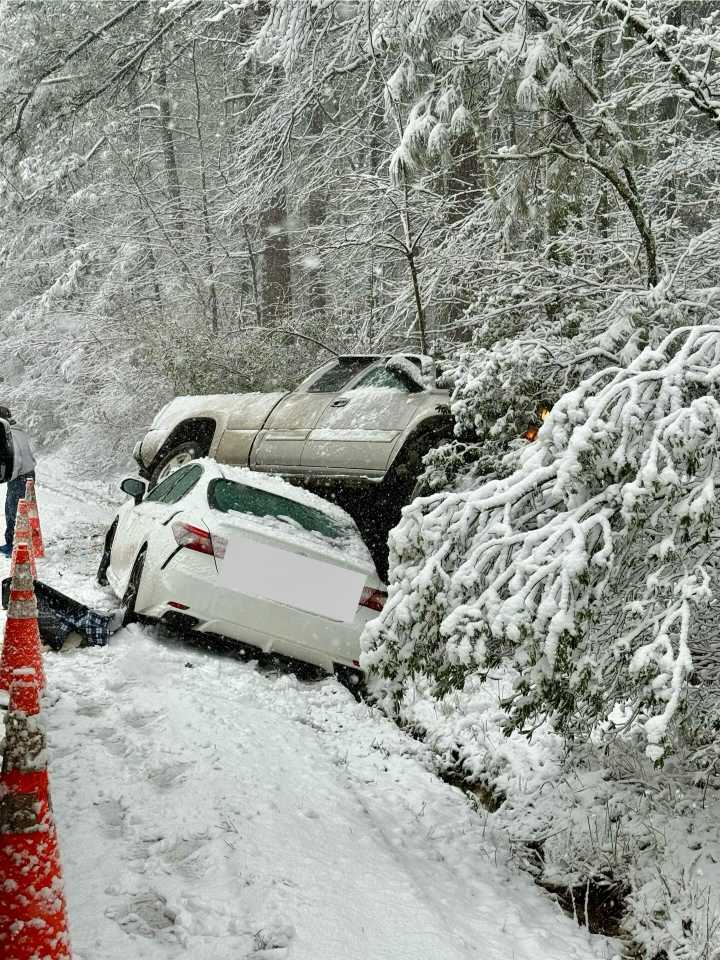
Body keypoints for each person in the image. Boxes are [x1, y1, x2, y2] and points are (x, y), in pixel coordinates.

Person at [0, 405, 36, 557]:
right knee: (22, 510)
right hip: (28, 474)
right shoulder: (19, 431)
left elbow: (15, 460)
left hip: (19, 477)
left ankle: (14, 545)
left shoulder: (10, 435)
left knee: (13, 511)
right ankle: (20, 543)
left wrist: (6, 477)